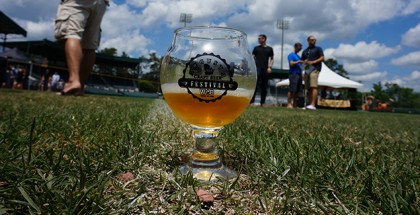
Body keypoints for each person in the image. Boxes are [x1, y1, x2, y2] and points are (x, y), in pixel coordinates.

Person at [54, 0, 109, 96]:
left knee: (72, 34)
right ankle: (80, 88)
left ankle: (73, 81)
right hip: (101, 3)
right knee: (89, 46)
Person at [250, 34, 274, 106]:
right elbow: (252, 57)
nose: (258, 40)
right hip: (257, 69)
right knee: (255, 86)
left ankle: (262, 103)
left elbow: (272, 59)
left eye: (259, 38)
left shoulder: (270, 49)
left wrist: (270, 67)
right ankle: (252, 102)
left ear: (264, 39)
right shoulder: (256, 48)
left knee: (264, 86)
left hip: (265, 69)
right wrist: (252, 66)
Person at [301, 35, 324, 110]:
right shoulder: (304, 51)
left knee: (313, 86)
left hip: (315, 69)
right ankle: (309, 104)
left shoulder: (318, 49)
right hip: (307, 70)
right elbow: (301, 61)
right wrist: (303, 69)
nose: (314, 41)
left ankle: (313, 105)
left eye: (315, 40)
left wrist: (313, 62)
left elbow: (322, 58)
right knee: (308, 88)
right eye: (312, 40)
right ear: (308, 41)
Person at [287, 42, 303, 108]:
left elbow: (301, 66)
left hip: (299, 75)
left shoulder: (299, 56)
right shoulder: (291, 55)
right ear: (295, 47)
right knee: (292, 90)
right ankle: (289, 103)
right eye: (299, 48)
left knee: (297, 91)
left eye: (300, 49)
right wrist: (298, 61)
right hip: (293, 74)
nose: (299, 50)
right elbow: (291, 63)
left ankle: (294, 104)